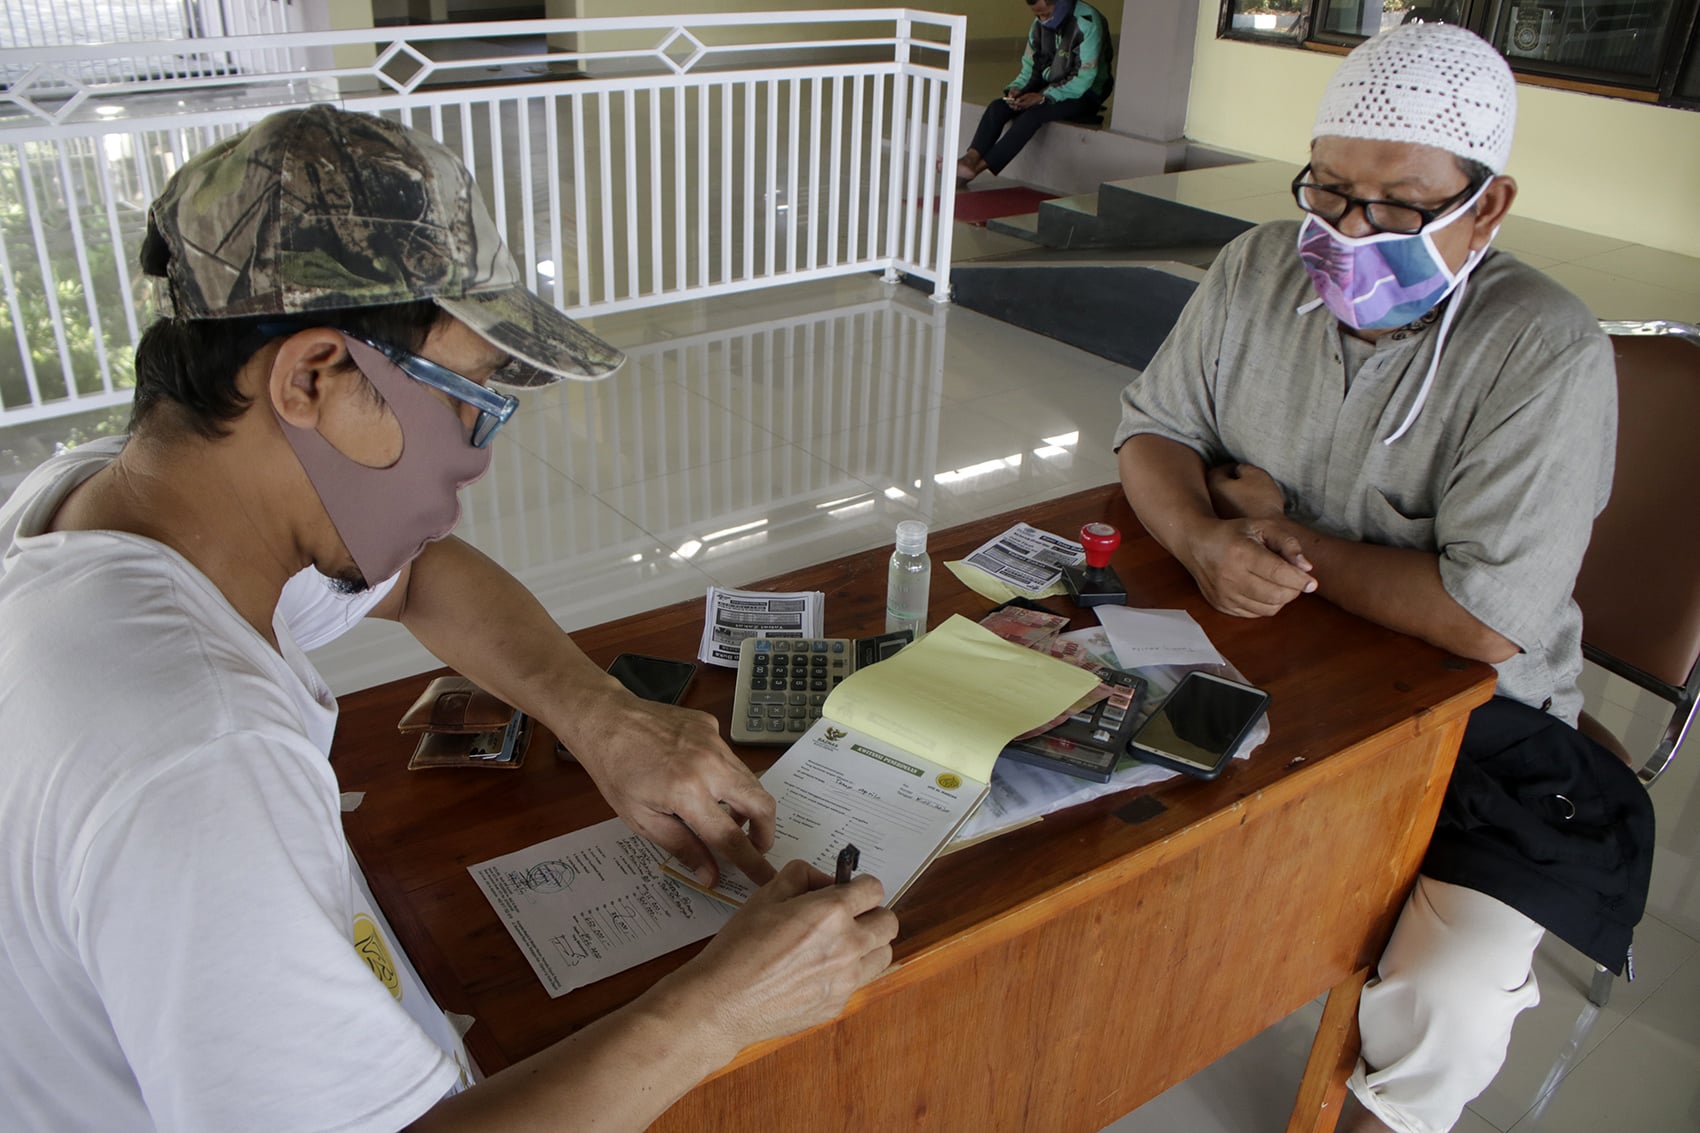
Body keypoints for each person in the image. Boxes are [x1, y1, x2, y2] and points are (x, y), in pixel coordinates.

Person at [0, 105, 897, 1132]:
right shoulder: (201, 757)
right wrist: (715, 1010)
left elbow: (420, 576)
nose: (476, 447)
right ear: (311, 376)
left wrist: (601, 716)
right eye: (465, 393)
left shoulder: (102, 510)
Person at [1112, 25, 1653, 1133]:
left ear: (1486, 206)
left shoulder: (1539, 348)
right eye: (1327, 188)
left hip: (1474, 716)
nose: (1345, 231)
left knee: (1446, 996)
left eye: (1397, 205)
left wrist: (1275, 525)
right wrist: (1210, 538)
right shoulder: (1259, 264)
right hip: (1260, 653)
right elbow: (1150, 432)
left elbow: (1479, 619)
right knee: (1091, 833)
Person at [955, 0, 1115, 187]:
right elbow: (1030, 67)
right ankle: (970, 159)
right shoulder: (1039, 25)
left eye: (1046, 14)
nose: (1042, 20)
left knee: (1032, 116)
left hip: (1085, 94)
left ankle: (976, 169)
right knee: (998, 106)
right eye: (1037, 15)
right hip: (1052, 85)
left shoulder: (1087, 22)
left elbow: (1084, 78)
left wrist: (1043, 97)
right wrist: (1017, 90)